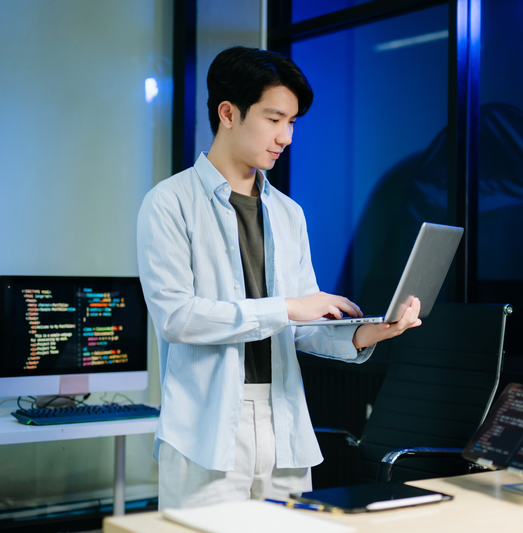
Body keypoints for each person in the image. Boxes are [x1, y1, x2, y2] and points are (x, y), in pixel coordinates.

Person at [136, 46, 421, 510]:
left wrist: (373, 332)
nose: (285, 136)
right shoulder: (169, 204)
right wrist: (287, 307)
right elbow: (177, 318)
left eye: (291, 122)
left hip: (284, 422)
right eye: (274, 119)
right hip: (204, 431)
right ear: (228, 113)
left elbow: (303, 330)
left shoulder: (289, 214)